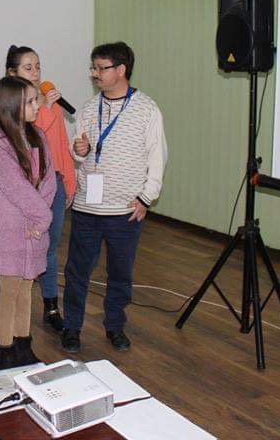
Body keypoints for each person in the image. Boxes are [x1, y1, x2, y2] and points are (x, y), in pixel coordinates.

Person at [62, 42, 168, 353]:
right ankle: (72, 328)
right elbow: (78, 151)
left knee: (120, 273)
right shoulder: (88, 108)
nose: (94, 74)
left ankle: (114, 326)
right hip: (86, 207)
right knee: (77, 271)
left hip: (124, 210)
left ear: (121, 70)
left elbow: (158, 156)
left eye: (101, 68)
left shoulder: (147, 109)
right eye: (93, 68)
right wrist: (78, 151)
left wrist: (146, 198)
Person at [0, 76, 56, 369]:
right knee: (9, 291)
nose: (37, 105)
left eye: (36, 99)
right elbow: (17, 188)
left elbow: (49, 181)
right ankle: (5, 352)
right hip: (11, 230)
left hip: (35, 229)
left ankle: (23, 347)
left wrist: (39, 219)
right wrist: (41, 216)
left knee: (27, 289)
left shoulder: (38, 136)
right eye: (30, 101)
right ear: (12, 105)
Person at [5, 45, 76, 332]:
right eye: (28, 67)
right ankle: (10, 309)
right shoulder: (13, 107)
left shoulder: (49, 101)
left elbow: (59, 143)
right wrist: (44, 107)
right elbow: (35, 136)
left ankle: (51, 305)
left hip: (54, 182)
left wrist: (68, 180)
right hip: (29, 187)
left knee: (50, 245)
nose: (35, 73)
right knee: (24, 247)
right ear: (12, 73)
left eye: (37, 66)